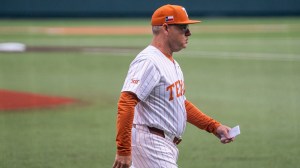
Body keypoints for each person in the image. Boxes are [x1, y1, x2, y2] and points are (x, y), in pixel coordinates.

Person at [112, 4, 234, 168]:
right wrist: (123, 150)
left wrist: (214, 126)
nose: (189, 33)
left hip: (161, 143)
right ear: (166, 28)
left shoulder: (171, 62)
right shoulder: (149, 61)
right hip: (151, 144)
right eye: (183, 27)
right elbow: (126, 102)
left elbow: (180, 104)